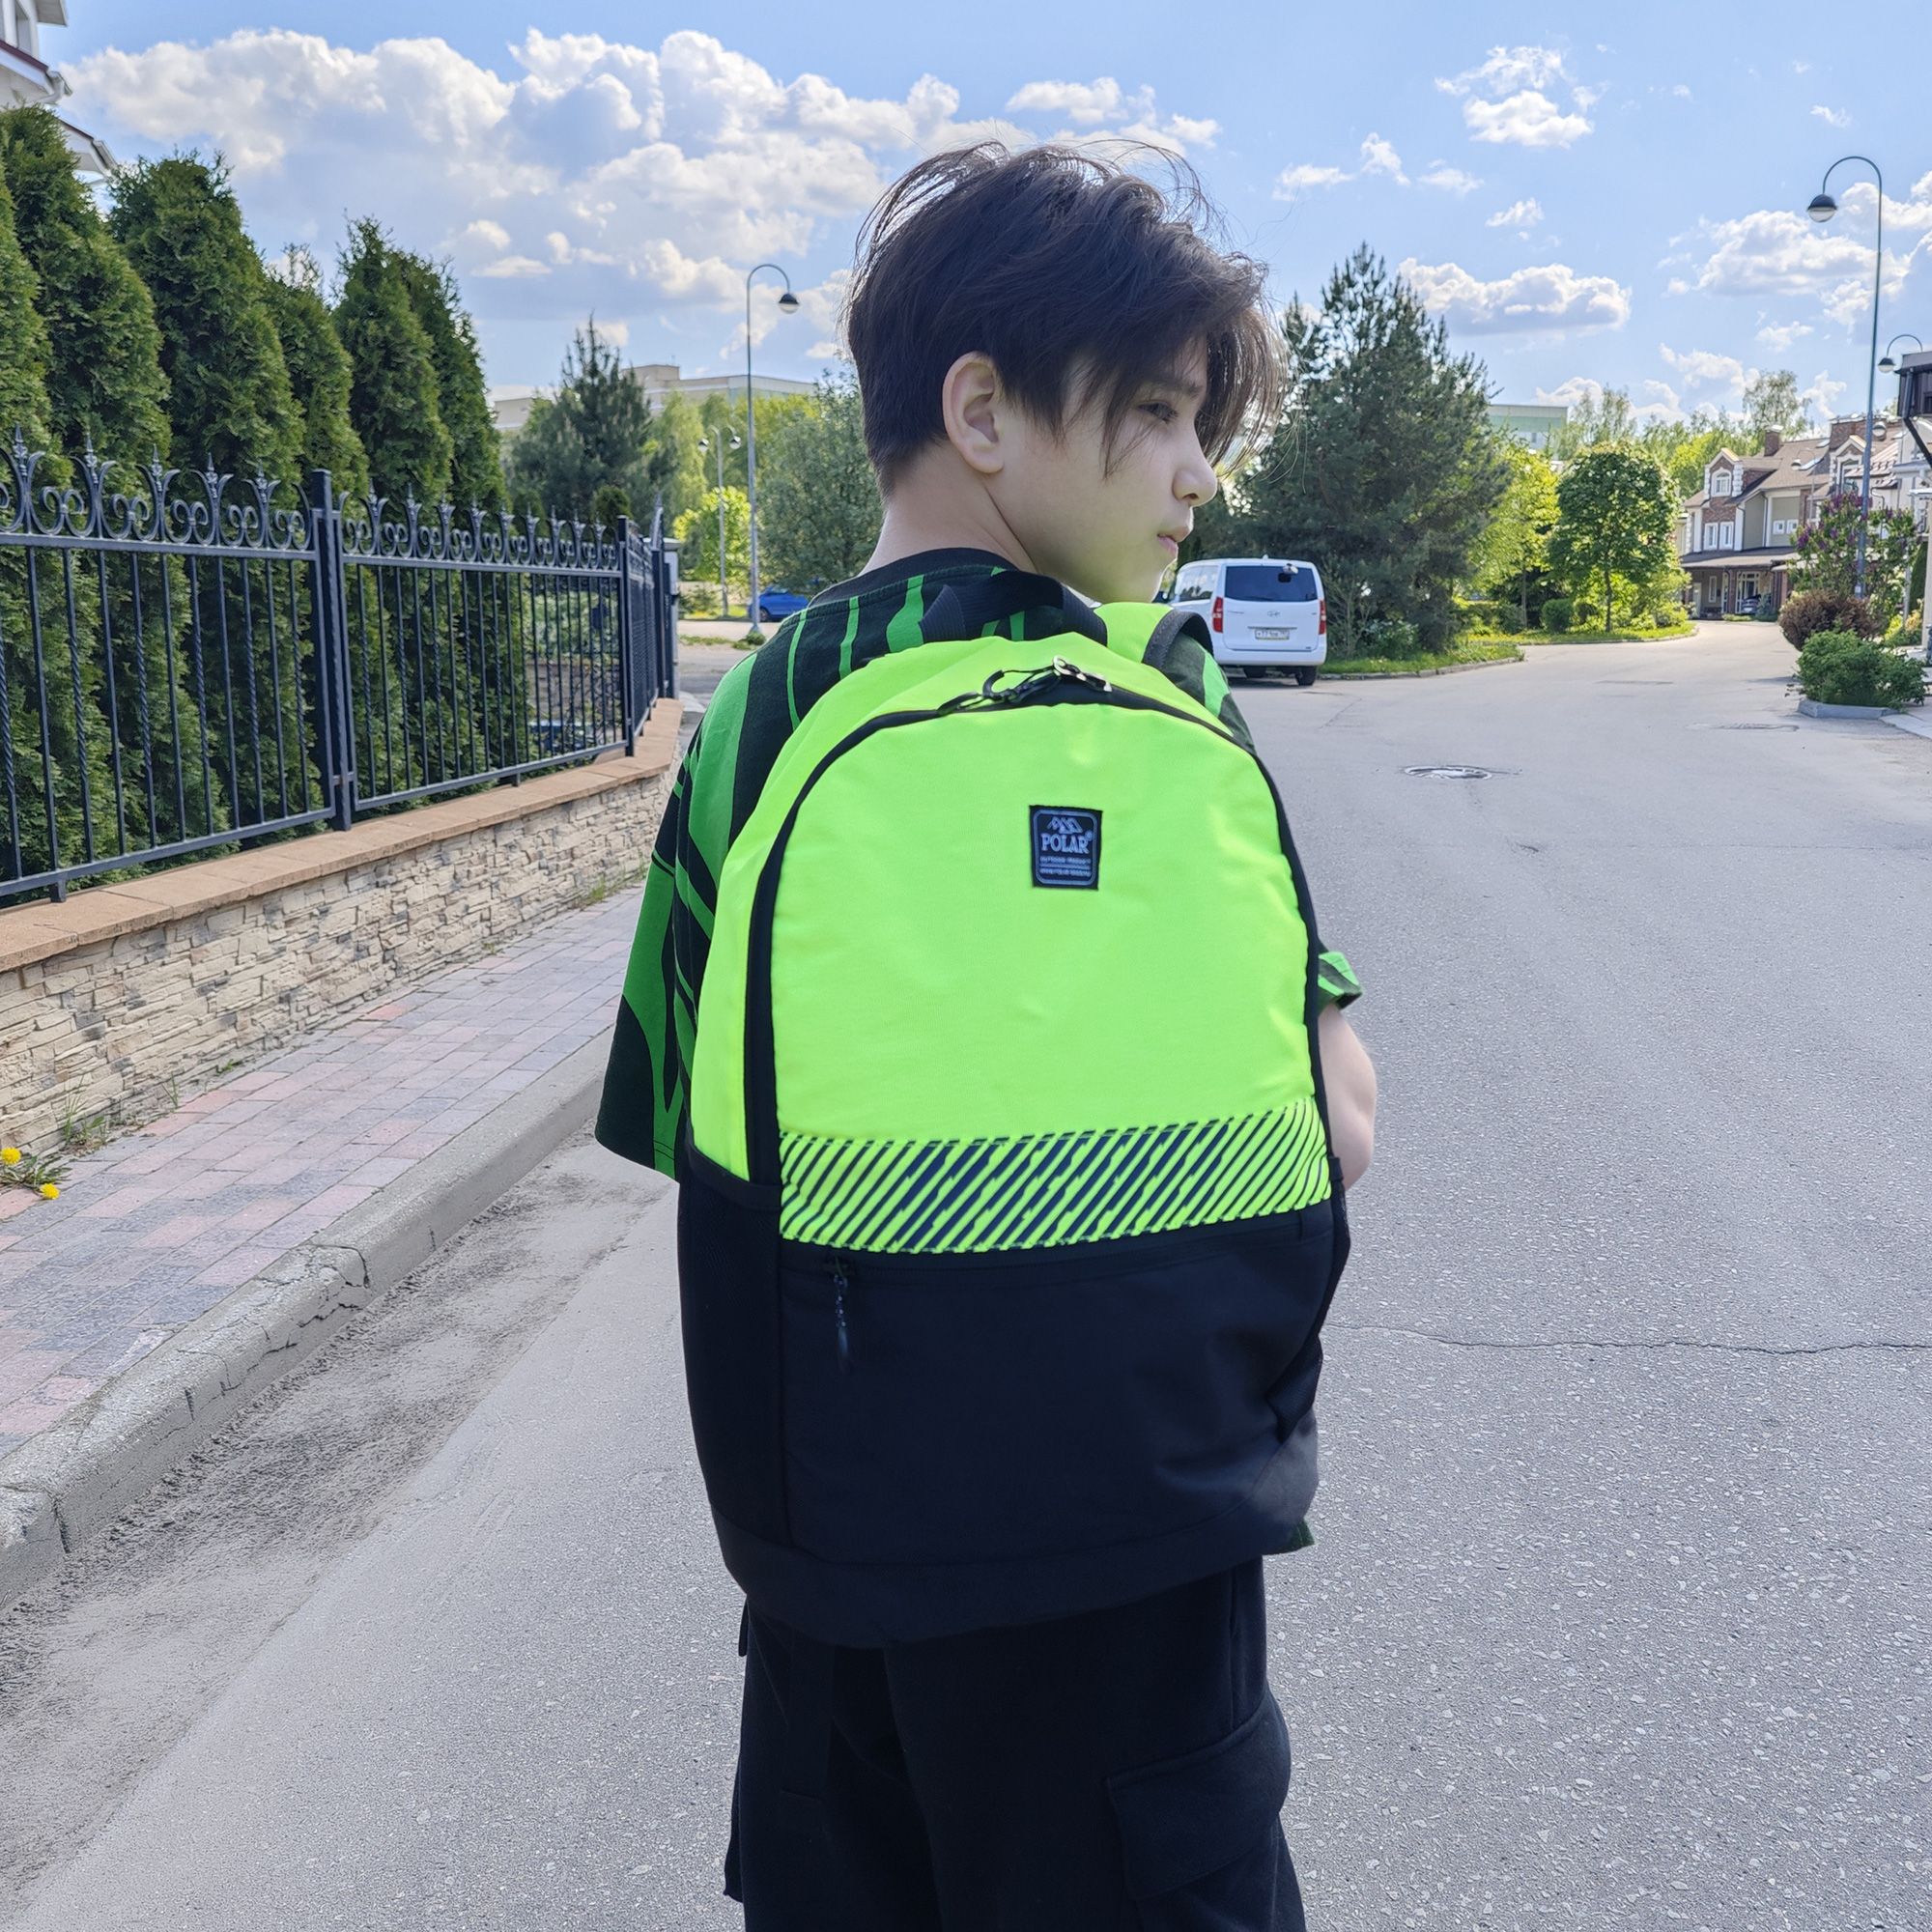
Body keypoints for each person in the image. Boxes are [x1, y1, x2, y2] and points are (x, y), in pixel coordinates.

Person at [596, 140, 1377, 1931]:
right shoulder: (1168, 693)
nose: (1198, 471)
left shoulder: (760, 712)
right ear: (982, 410)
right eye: (1163, 411)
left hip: (839, 1586)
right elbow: (1341, 1122)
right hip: (1143, 1595)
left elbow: (682, 1114)